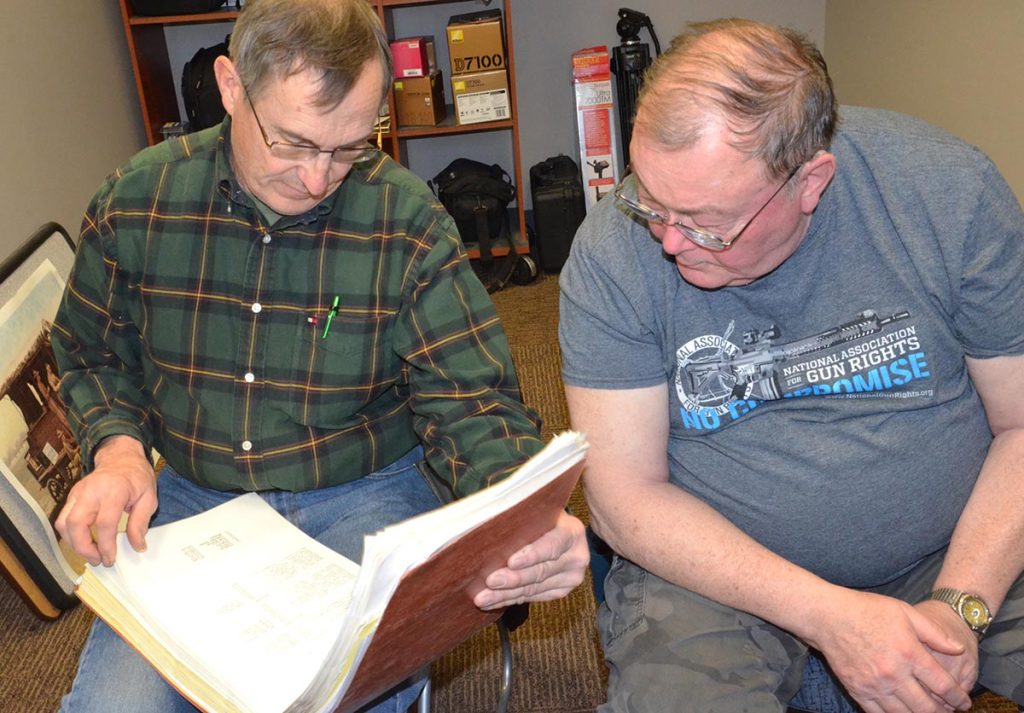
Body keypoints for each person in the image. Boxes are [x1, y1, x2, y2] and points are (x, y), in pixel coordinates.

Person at [51, 0, 587, 710]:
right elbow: (91, 348)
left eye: (349, 148)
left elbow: (471, 401)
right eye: (294, 143)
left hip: (360, 486)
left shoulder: (405, 220)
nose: (317, 179)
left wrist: (523, 515)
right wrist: (117, 448)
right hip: (194, 495)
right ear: (232, 86)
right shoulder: (137, 201)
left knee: (331, 691)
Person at [559, 17, 1024, 713]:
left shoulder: (948, 193)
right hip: (719, 576)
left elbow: (1020, 427)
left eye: (707, 221)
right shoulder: (611, 254)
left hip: (961, 547)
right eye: (649, 199)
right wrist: (834, 617)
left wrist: (960, 609)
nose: (667, 240)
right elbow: (625, 500)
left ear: (811, 181)